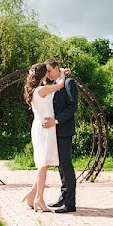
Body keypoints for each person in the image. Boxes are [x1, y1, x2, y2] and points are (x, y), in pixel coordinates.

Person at [21, 62, 66, 212]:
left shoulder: (35, 90)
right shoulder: (43, 89)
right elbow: (60, 85)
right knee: (44, 164)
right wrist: (63, 73)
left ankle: (32, 195)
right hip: (45, 127)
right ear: (44, 74)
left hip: (40, 125)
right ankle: (39, 199)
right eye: (47, 71)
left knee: (43, 163)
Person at [42, 59, 77, 213]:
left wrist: (56, 120)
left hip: (64, 131)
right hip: (54, 131)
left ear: (57, 68)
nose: (48, 74)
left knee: (66, 166)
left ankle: (70, 203)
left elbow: (72, 106)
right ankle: (63, 197)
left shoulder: (69, 83)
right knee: (60, 166)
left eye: (49, 70)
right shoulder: (57, 83)